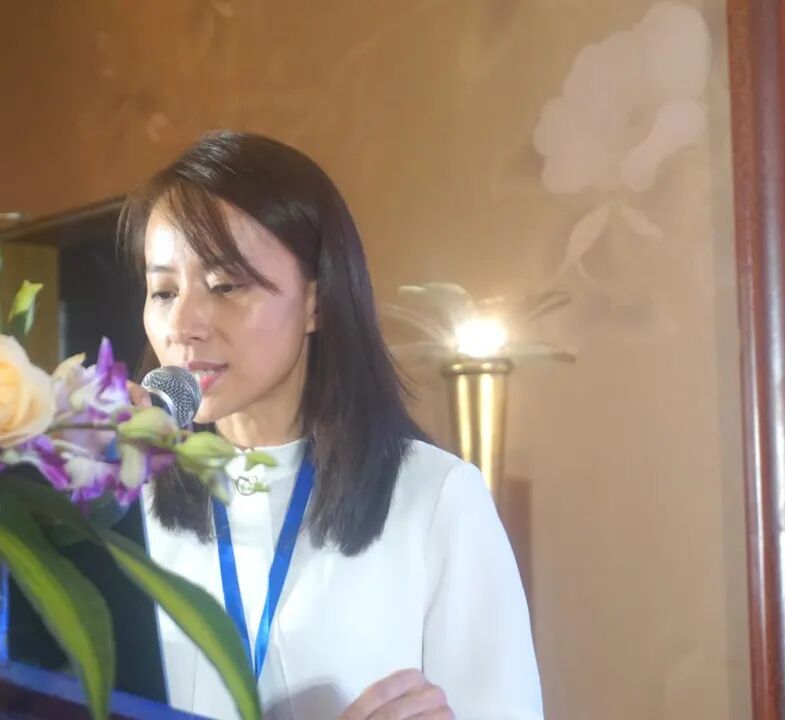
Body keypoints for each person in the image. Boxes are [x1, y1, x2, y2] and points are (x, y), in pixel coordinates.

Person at [119, 131, 543, 719]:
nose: (182, 325)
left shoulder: (434, 499)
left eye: (225, 285)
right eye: (163, 291)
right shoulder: (125, 501)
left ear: (316, 300)